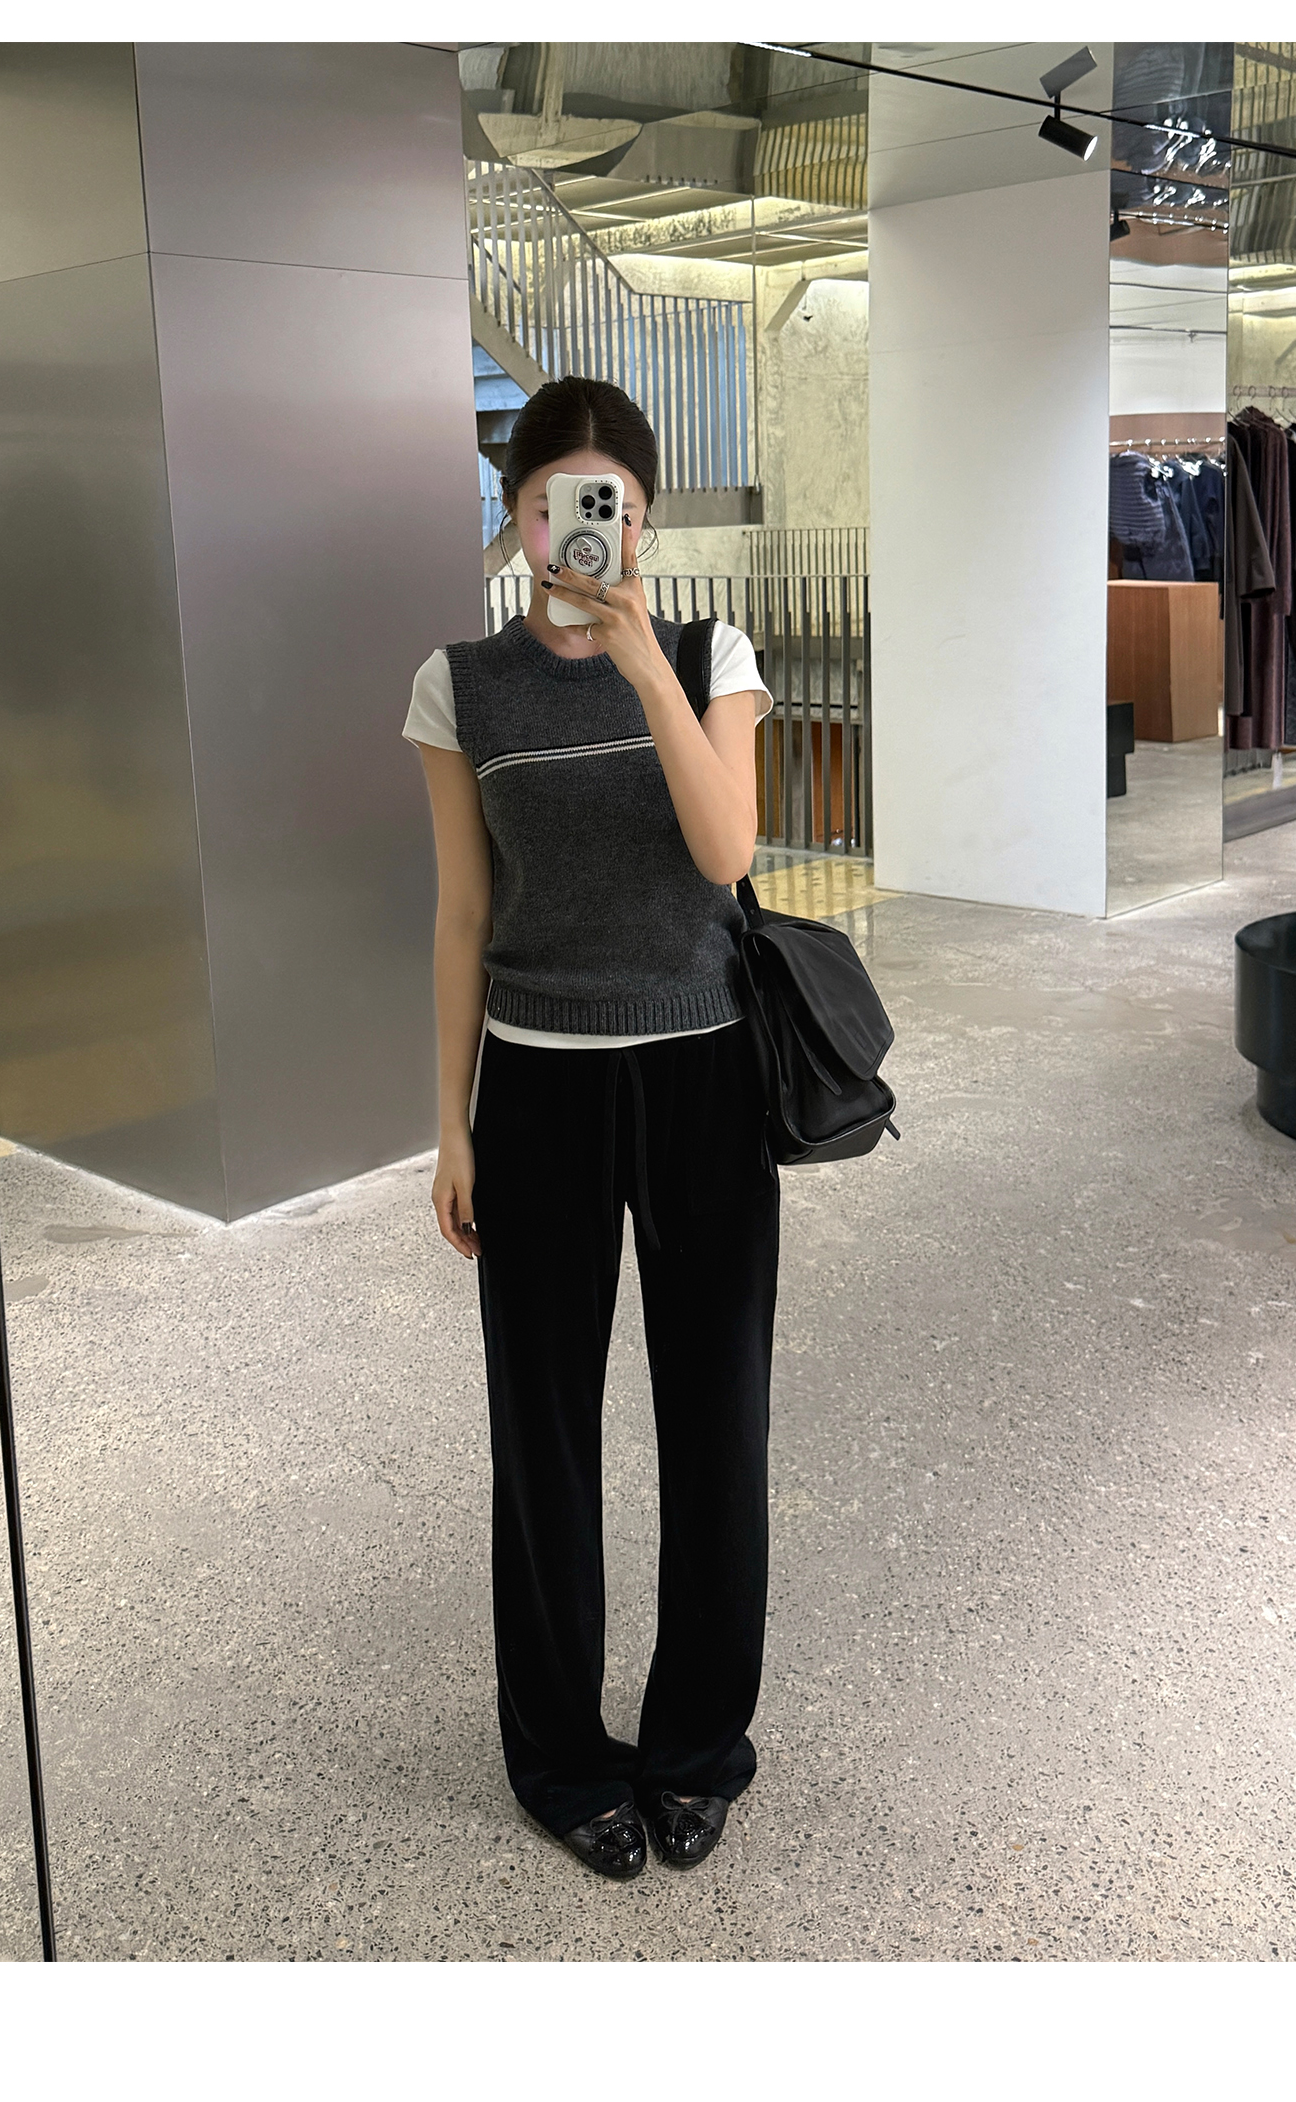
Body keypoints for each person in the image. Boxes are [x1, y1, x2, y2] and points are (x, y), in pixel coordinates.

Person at [402, 375, 778, 1880]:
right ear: (514, 515)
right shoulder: (457, 685)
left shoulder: (709, 652)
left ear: (644, 518)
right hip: (539, 1087)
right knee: (542, 1435)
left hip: (704, 1081)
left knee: (717, 1421)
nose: (580, 527)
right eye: (553, 500)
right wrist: (450, 1124)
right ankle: (560, 1758)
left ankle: (696, 1748)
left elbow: (726, 850)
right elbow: (462, 913)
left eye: (605, 502)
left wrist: (641, 662)